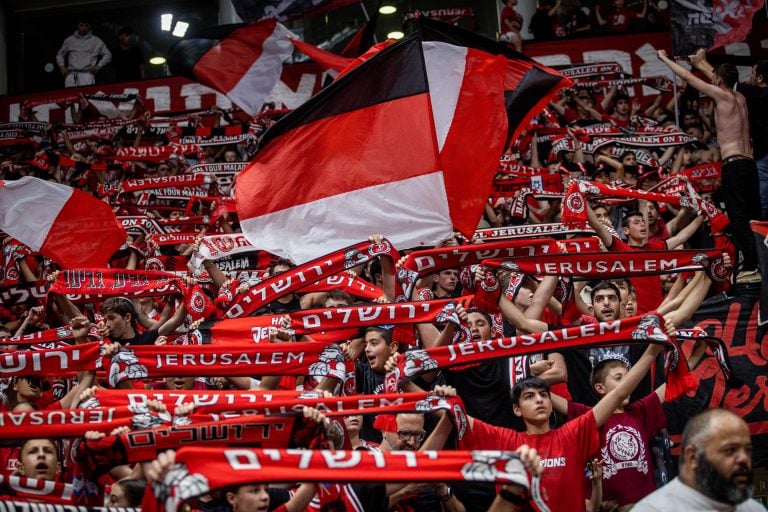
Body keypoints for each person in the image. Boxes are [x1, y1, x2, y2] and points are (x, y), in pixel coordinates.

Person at [436, 341, 664, 512]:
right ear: (516, 409)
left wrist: (653, 350)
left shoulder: (572, 433)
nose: (539, 400)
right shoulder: (506, 440)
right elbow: (457, 417)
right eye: (529, 396)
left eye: (544, 395)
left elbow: (620, 393)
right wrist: (444, 400)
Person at [658, 49, 761, 283]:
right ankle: (761, 260)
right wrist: (704, 63)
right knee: (755, 217)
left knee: (738, 218)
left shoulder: (721, 95)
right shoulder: (741, 97)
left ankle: (751, 266)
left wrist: (665, 59)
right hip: (750, 165)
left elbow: (688, 77)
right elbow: (719, 78)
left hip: (733, 164)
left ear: (717, 80)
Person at [634, 409, 764, 511]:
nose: (743, 458)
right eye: (730, 450)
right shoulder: (654, 509)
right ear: (692, 457)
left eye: (747, 450)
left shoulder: (753, 509)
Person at [56, 19, 111, 87]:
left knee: (86, 96)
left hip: (87, 74)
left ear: (89, 26)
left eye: (86, 25)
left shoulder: (96, 40)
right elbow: (60, 54)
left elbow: (108, 55)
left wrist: (98, 66)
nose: (84, 28)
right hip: (72, 74)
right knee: (71, 96)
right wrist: (62, 67)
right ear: (78, 26)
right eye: (81, 25)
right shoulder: (70, 40)